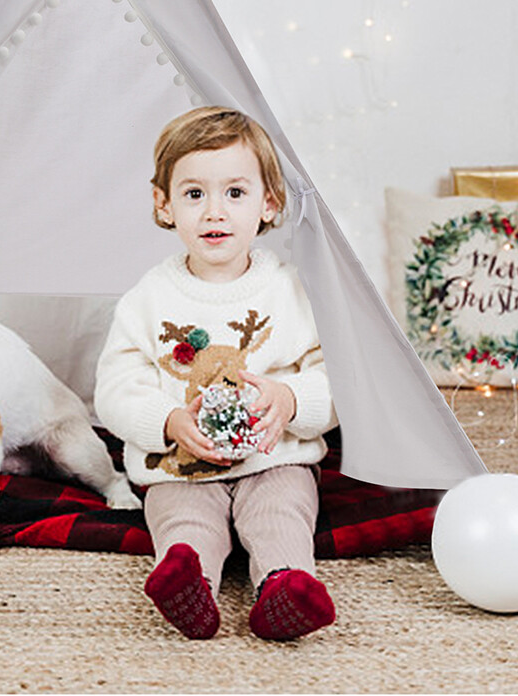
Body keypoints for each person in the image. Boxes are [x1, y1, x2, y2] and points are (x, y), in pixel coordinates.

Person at [94, 106, 338, 641]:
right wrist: (167, 421)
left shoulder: (292, 291)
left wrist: (291, 400)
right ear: (163, 204)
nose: (214, 213)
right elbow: (115, 387)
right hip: (182, 465)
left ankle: (285, 586)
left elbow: (337, 377)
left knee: (282, 512)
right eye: (194, 193)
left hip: (273, 458)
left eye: (234, 193)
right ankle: (189, 584)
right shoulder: (148, 298)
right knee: (182, 518)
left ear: (268, 202)